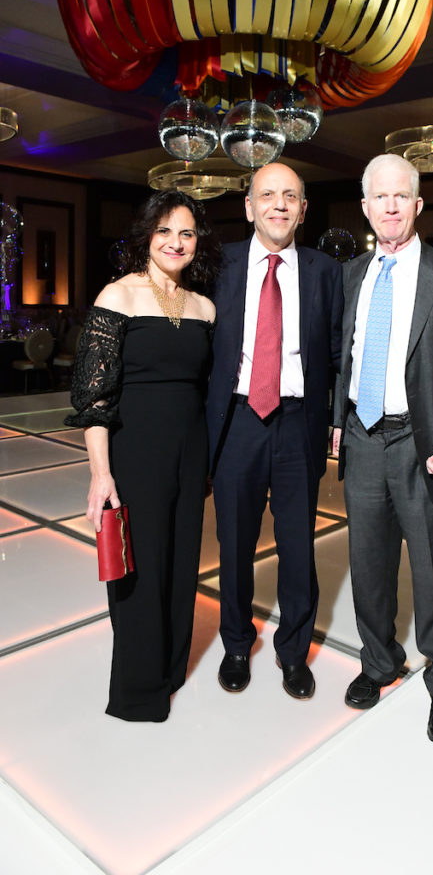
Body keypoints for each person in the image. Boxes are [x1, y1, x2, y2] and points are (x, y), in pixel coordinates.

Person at [333, 153, 433, 744]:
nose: (390, 207)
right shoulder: (352, 274)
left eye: (402, 197)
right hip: (363, 437)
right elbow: (343, 353)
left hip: (425, 448)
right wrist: (336, 419)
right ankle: (378, 662)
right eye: (379, 197)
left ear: (418, 205)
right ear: (365, 207)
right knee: (367, 566)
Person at [67, 190, 218, 722]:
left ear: (198, 242)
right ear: (146, 236)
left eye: (187, 233)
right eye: (165, 232)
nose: (176, 243)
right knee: (138, 566)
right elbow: (94, 396)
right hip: (135, 451)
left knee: (181, 564)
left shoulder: (205, 306)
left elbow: (207, 388)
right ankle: (137, 691)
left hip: (190, 449)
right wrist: (100, 474)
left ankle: (172, 669)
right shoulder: (119, 296)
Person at [207, 162, 343, 701]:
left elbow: (337, 353)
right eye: (268, 195)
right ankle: (237, 645)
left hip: (297, 423)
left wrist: (336, 422)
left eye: (290, 196)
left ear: (304, 209)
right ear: (249, 206)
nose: (279, 205)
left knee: (296, 546)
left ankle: (294, 653)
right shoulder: (218, 265)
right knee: (233, 545)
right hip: (237, 421)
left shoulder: (324, 271)